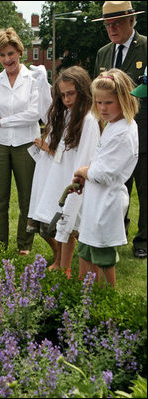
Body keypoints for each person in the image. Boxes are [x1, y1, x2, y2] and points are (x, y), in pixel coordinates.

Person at [27, 66, 100, 276]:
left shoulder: (88, 120)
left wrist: (75, 182)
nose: (67, 99)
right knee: (63, 223)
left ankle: (85, 272)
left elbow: (85, 156)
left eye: (71, 94)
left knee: (76, 226)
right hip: (60, 175)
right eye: (63, 95)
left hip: (75, 179)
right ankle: (63, 265)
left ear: (83, 91)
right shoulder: (67, 114)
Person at [70, 69, 139, 287]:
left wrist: (83, 171)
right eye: (98, 102)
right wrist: (86, 175)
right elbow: (100, 162)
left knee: (103, 254)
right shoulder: (113, 126)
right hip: (96, 197)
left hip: (108, 201)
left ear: (124, 100)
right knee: (88, 247)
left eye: (108, 102)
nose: (102, 108)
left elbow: (106, 174)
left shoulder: (124, 132)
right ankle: (90, 292)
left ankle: (108, 295)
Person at [0, 27, 42, 254]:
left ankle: (24, 245)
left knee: (28, 199)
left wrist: (3, 121)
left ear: (20, 52)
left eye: (11, 53)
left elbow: (35, 113)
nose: (7, 59)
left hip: (27, 144)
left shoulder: (33, 79)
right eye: (2, 55)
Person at [93, 1, 147, 259]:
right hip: (112, 134)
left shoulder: (146, 47)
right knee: (114, 187)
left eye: (116, 23)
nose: (112, 28)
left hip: (141, 131)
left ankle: (144, 240)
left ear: (131, 22)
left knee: (144, 190)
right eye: (107, 25)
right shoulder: (103, 53)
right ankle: (117, 234)